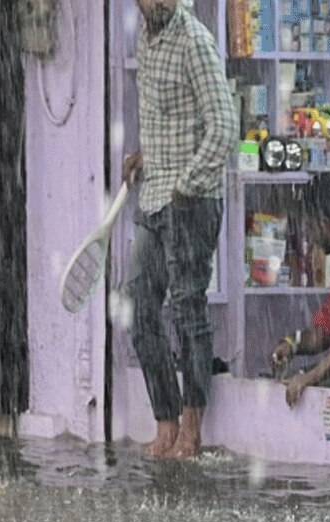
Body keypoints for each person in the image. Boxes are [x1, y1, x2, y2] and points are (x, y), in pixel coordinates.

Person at [121, 0, 238, 457]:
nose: (161, 2)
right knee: (138, 306)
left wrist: (189, 183)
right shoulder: (145, 39)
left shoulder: (195, 41)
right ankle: (165, 421)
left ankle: (193, 428)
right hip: (153, 196)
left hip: (192, 198)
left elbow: (224, 126)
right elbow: (170, 115)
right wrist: (144, 154)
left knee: (188, 308)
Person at [270, 173, 330, 405]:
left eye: (311, 227)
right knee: (294, 384)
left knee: (310, 392)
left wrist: (313, 375)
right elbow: (325, 332)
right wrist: (292, 343)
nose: (311, 238)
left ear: (326, 223)